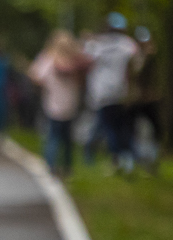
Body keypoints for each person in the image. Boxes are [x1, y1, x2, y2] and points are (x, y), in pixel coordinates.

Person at [28, 30, 92, 176]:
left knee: (53, 136)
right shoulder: (76, 60)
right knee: (68, 138)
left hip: (53, 102)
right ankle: (67, 167)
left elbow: (36, 76)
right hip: (71, 102)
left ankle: (50, 165)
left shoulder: (48, 58)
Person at [83, 12, 139, 172]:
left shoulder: (96, 45)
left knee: (109, 127)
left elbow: (85, 62)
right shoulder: (127, 45)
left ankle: (116, 159)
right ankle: (127, 159)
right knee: (122, 126)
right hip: (121, 92)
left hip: (102, 93)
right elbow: (135, 65)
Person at [129, 26, 161, 172]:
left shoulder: (153, 57)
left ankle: (152, 159)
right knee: (136, 129)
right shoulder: (134, 57)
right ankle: (137, 159)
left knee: (154, 130)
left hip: (150, 99)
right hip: (137, 98)